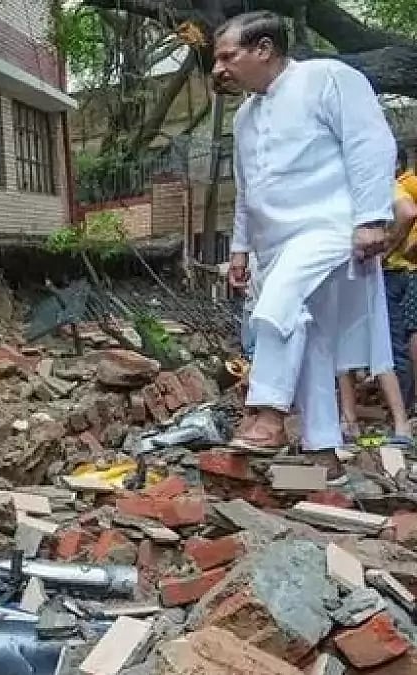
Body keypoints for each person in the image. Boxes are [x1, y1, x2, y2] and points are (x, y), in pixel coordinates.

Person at [217, 11, 396, 483]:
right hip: (273, 242)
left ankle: (267, 412)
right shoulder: (244, 116)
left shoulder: (329, 78)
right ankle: (324, 460)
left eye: (226, 56)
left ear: (263, 50)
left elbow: (370, 143)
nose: (218, 69)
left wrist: (371, 218)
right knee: (309, 340)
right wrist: (240, 249)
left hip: (330, 226)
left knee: (280, 302)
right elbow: (247, 186)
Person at [336, 146, 417, 447]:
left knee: (340, 345)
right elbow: (406, 211)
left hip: (344, 265)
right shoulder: (377, 177)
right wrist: (386, 249)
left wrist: (386, 251)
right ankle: (401, 425)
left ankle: (349, 422)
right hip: (368, 269)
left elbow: (408, 212)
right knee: (382, 348)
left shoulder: (344, 176)